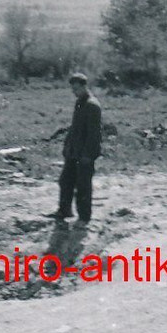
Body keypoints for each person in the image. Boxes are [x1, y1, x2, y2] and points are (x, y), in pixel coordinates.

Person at [46, 72, 102, 223]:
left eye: (76, 89)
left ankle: (84, 217)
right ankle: (64, 211)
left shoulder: (92, 105)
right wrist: (67, 146)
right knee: (66, 181)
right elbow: (75, 128)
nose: (74, 92)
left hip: (85, 154)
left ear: (84, 86)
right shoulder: (80, 103)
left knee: (83, 186)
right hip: (74, 152)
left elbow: (94, 134)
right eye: (72, 89)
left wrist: (88, 155)